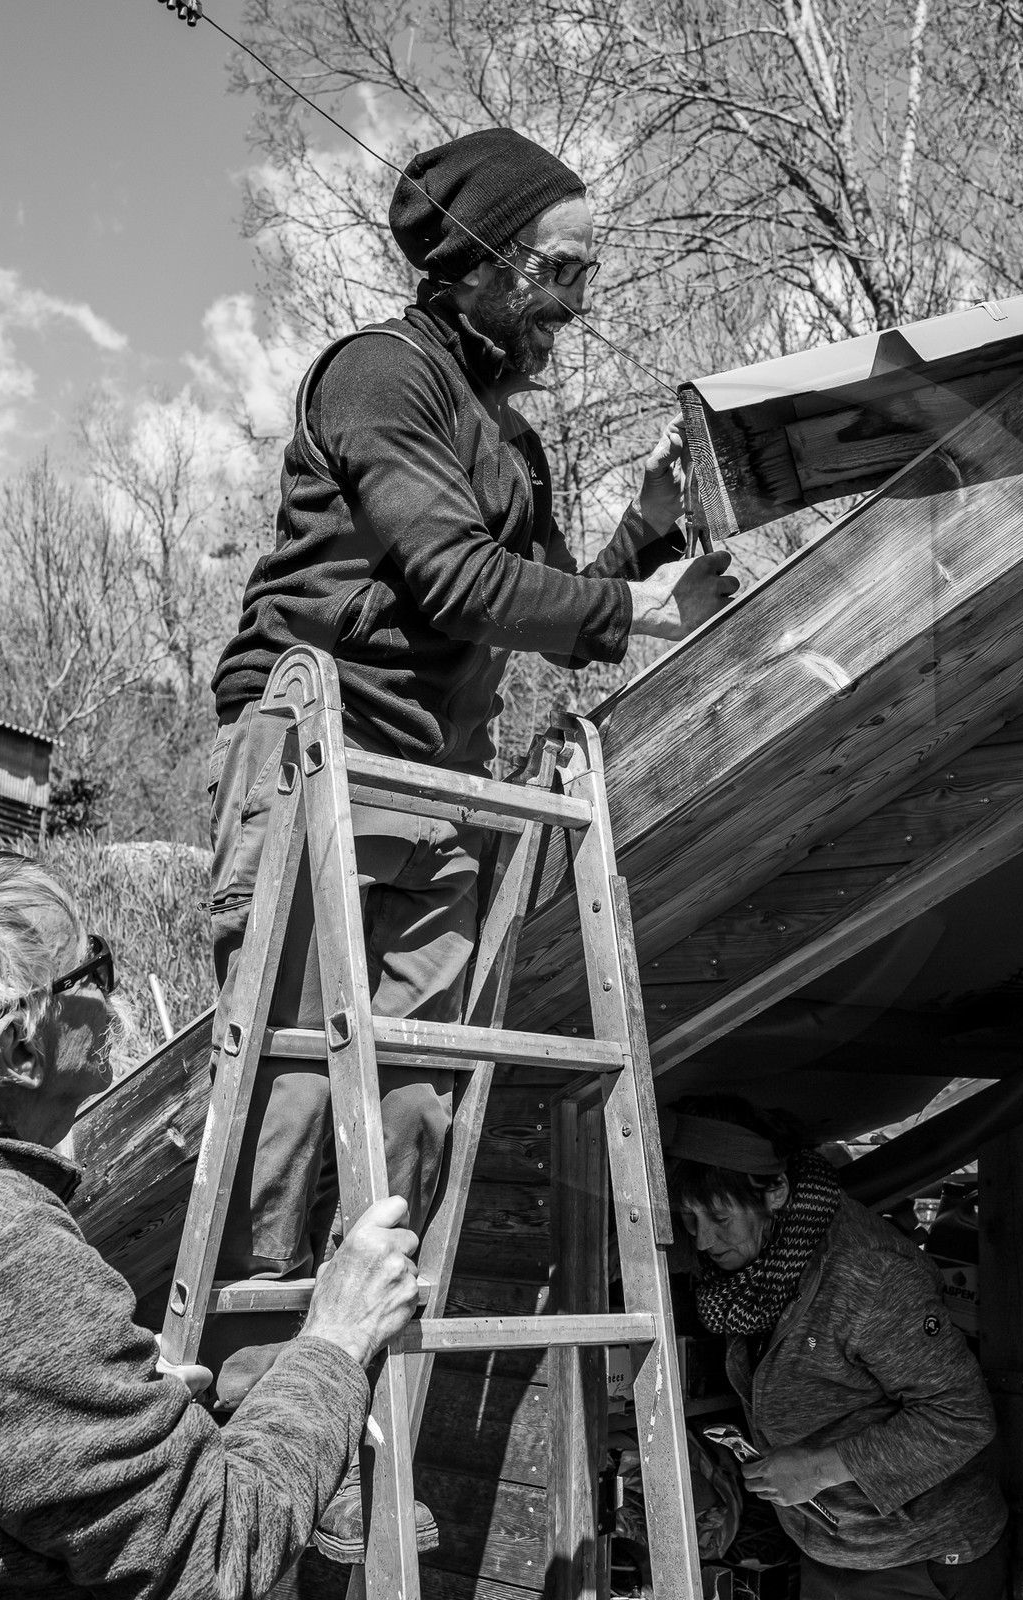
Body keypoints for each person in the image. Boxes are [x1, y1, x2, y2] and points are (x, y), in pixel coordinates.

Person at [201, 128, 739, 1552]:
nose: (576, 297)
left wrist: (638, 543)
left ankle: (353, 1420)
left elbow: (541, 594)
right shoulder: (380, 375)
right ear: (481, 261)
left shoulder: (509, 433)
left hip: (433, 786)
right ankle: (267, 1429)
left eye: (587, 270)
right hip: (316, 754)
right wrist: (628, 619)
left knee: (420, 1109)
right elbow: (447, 573)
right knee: (296, 1101)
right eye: (559, 268)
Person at [0, 850, 425, 1600]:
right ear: (18, 1048)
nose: (110, 991)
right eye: (87, 974)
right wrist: (338, 1340)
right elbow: (210, 1553)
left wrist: (96, 1379)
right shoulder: (3, 1255)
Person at [665, 1096, 1008, 1600]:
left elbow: (961, 1417)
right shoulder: (761, 1268)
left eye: (719, 1217)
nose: (702, 1242)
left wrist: (818, 1468)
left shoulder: (873, 1276)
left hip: (921, 1556)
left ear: (776, 1190)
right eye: (690, 1219)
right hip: (830, 1546)